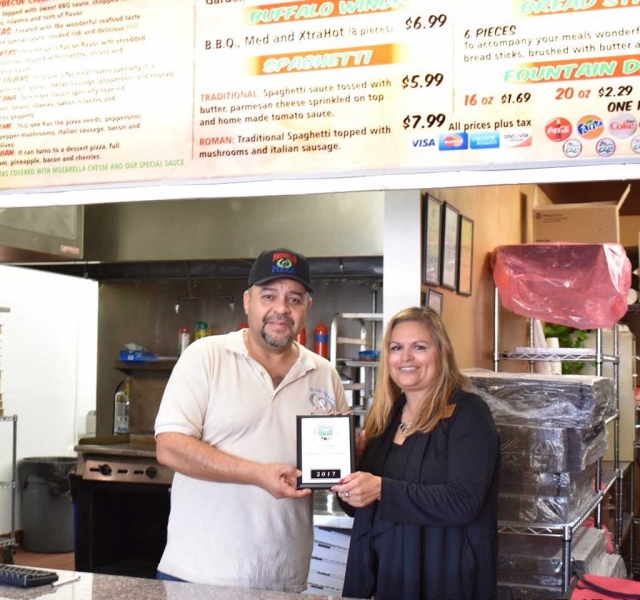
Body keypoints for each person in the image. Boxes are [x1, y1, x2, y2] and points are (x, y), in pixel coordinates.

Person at [154, 248, 348, 591]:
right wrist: (258, 475)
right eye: (268, 296)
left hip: (284, 578)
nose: (281, 309)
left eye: (294, 298)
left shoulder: (323, 374)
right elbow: (170, 448)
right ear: (248, 301)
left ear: (307, 307)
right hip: (199, 576)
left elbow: (332, 460)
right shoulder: (206, 357)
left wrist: (352, 455)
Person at [332, 306, 499, 600]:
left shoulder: (468, 412)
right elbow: (357, 509)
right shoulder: (385, 418)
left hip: (443, 576)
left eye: (419, 347)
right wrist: (349, 473)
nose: (405, 357)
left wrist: (382, 489)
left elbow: (464, 502)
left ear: (442, 353)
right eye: (396, 348)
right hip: (384, 577)